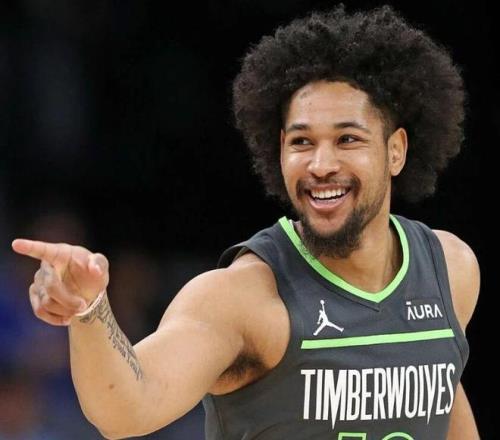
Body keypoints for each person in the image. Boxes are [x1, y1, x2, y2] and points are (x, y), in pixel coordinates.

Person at [11, 4, 480, 439]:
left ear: (395, 150)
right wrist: (90, 311)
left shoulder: (451, 269)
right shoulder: (241, 298)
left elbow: (441, 399)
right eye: (301, 142)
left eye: (347, 139)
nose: (320, 164)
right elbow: (127, 410)